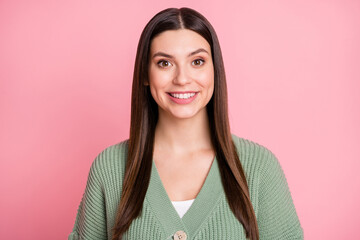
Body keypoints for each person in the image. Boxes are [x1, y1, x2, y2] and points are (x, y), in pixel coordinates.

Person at [69, 7, 303, 240]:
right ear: (144, 74)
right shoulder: (109, 168)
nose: (182, 79)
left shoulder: (260, 168)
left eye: (197, 61)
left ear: (215, 70)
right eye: (164, 63)